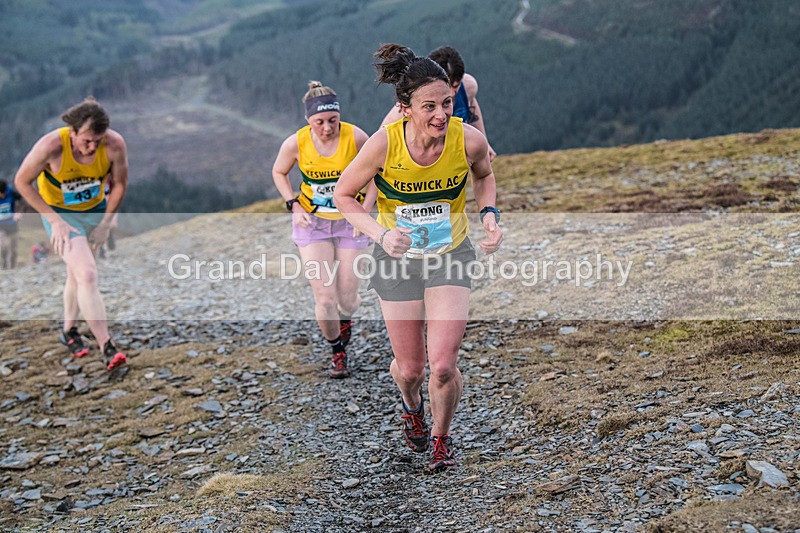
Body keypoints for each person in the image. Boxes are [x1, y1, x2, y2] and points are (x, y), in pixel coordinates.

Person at [334, 44, 503, 472]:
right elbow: (343, 195)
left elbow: (485, 175)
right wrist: (381, 233)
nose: (441, 115)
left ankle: (441, 441)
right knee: (411, 370)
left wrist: (489, 215)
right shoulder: (383, 145)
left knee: (443, 365)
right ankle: (412, 406)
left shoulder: (468, 139)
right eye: (429, 106)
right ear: (405, 108)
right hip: (397, 261)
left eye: (446, 103)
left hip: (450, 255)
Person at [14, 96, 129, 371]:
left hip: (94, 211)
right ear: (72, 131)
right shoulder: (50, 146)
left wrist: (105, 224)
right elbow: (22, 181)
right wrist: (54, 220)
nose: (92, 147)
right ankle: (107, 346)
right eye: (86, 141)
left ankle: (69, 331)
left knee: (77, 274)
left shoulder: (114, 145)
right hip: (61, 215)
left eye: (98, 140)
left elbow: (120, 184)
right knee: (87, 274)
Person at [272, 81, 376, 378]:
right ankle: (337, 351)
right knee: (325, 297)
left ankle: (346, 318)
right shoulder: (296, 143)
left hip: (349, 222)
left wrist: (364, 213)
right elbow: (279, 171)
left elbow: (376, 176)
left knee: (348, 299)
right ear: (308, 119)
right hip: (313, 224)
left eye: (333, 120)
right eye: (319, 122)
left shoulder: (356, 137)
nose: (328, 128)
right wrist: (293, 204)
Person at [381, 45, 496, 160]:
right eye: (448, 85)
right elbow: (383, 136)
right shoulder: (405, 110)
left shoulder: (469, 86)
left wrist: (485, 142)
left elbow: (471, 106)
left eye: (456, 86)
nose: (452, 93)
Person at [0, 179, 23, 269]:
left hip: (12, 223)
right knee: (3, 245)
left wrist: (19, 212)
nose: (2, 196)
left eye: (4, 193)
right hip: (1, 225)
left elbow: (22, 201)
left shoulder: (12, 193)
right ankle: (4, 264)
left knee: (13, 246)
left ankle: (12, 266)